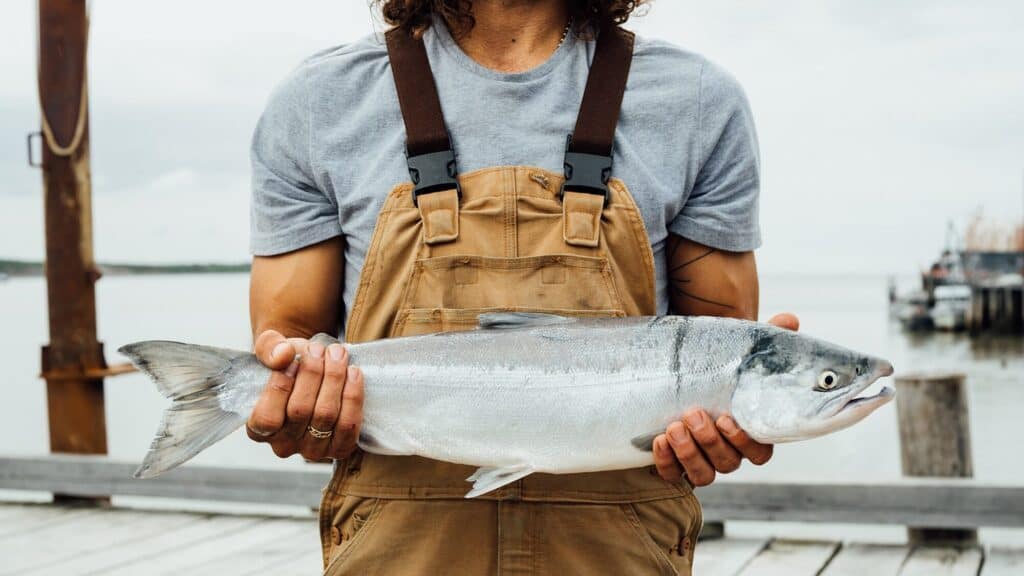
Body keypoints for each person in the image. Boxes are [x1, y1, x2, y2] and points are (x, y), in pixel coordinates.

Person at [245, 1, 798, 573]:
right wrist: (299, 404)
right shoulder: (318, 101)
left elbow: (720, 350)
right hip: (394, 550)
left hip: (621, 552)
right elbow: (288, 345)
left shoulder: (698, 102)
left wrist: (721, 430)